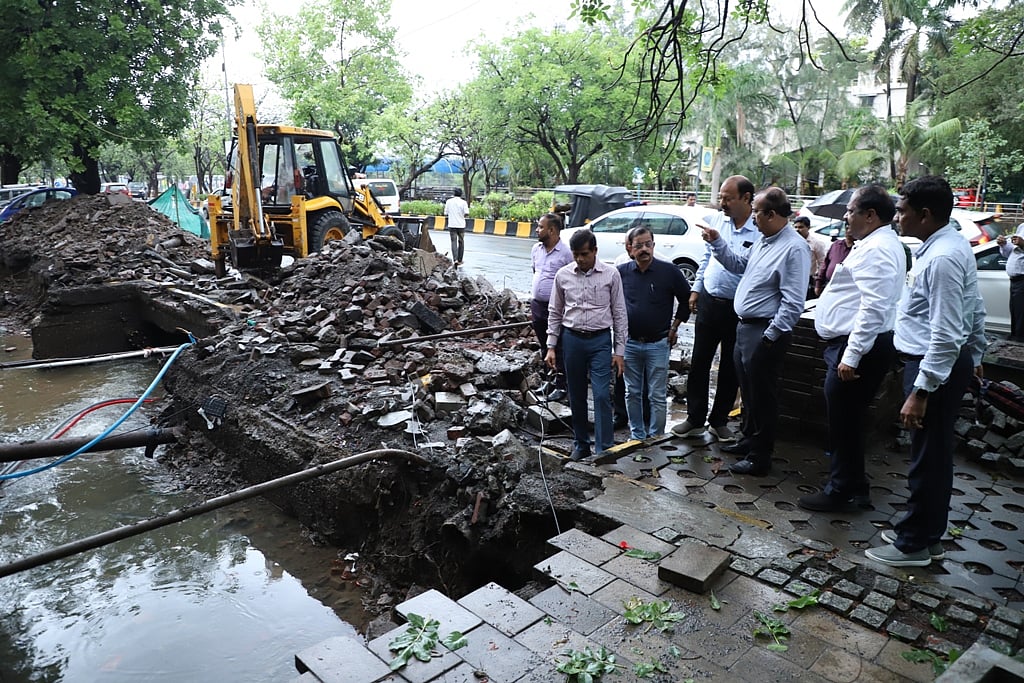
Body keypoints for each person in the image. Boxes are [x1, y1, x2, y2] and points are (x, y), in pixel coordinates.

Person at [865, 175, 987, 568]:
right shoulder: (945, 246)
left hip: (933, 369)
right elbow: (974, 306)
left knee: (927, 460)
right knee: (931, 456)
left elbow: (947, 331)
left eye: (902, 211)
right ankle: (925, 533)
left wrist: (921, 390)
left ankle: (914, 544)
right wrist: (978, 350)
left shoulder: (943, 258)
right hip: (941, 366)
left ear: (926, 214)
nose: (897, 217)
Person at [797, 185, 905, 512]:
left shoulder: (879, 249)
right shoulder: (874, 243)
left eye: (851, 211)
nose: (846, 216)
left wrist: (851, 356)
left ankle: (839, 490)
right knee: (850, 421)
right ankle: (857, 486)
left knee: (843, 422)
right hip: (853, 344)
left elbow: (873, 307)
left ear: (870, 215)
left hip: (857, 348)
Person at [701, 187, 810, 476]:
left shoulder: (794, 248)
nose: (754, 218)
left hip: (764, 330)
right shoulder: (765, 239)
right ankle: (749, 439)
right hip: (745, 326)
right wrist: (717, 243)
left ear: (772, 214)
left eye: (758, 212)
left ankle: (761, 455)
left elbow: (793, 301)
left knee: (763, 395)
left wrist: (771, 336)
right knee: (749, 391)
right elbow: (740, 266)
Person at [672, 175, 759, 443]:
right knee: (699, 361)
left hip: (738, 308)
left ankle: (719, 421)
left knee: (730, 367)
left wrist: (718, 242)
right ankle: (694, 419)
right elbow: (708, 256)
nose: (722, 203)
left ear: (746, 199)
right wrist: (697, 287)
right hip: (710, 300)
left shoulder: (759, 230)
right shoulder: (717, 220)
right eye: (721, 197)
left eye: (728, 198)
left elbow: (742, 265)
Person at [546, 229, 628, 460]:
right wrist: (551, 346)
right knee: (576, 394)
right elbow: (555, 311)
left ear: (595, 251)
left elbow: (620, 313)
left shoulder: (611, 275)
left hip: (600, 341)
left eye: (584, 254)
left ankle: (604, 449)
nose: (580, 259)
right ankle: (581, 444)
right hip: (571, 340)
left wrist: (619, 351)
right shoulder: (563, 276)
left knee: (602, 395)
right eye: (576, 255)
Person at [618, 227, 691, 440]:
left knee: (657, 395)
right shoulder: (621, 272)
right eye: (639, 245)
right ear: (629, 248)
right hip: (630, 343)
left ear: (653, 245)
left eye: (648, 244)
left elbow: (687, 300)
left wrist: (675, 327)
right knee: (632, 392)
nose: (644, 249)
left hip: (658, 343)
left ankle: (656, 437)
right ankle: (637, 435)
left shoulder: (669, 272)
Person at [531, 213, 574, 401]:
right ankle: (548, 381)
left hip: (557, 309)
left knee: (559, 347)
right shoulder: (536, 249)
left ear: (552, 230)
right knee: (544, 346)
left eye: (540, 227)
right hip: (538, 306)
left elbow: (574, 280)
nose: (537, 230)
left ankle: (561, 386)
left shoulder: (566, 253)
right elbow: (535, 271)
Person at [996, 214, 1024, 342]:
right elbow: (1012, 253)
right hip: (1015, 281)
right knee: (1016, 314)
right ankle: (1015, 341)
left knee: (1021, 317)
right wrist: (1004, 245)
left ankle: (1018, 345)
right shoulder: (1022, 227)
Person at [793, 215, 829, 299]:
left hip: (807, 278)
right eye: (795, 227)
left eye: (801, 227)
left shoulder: (816, 243)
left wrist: (818, 280)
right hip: (793, 277)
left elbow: (822, 263)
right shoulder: (791, 242)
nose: (797, 230)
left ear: (808, 227)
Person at [814, 231, 854, 296]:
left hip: (847, 289)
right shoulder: (836, 245)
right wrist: (818, 284)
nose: (849, 231)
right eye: (847, 228)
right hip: (830, 285)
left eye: (851, 228)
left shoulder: (860, 247)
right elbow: (825, 264)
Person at [444, 188, 469, 265]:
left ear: (454, 193)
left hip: (452, 224)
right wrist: (461, 215)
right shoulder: (463, 202)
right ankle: (460, 259)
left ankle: (455, 259)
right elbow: (467, 213)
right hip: (461, 225)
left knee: (453, 241)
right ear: (461, 194)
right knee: (461, 241)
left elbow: (445, 213)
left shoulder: (449, 202)